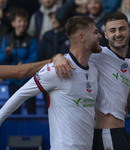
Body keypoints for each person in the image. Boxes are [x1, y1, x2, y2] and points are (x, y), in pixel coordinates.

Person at [53, 12, 130, 150]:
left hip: (121, 133)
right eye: (112, 30)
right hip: (105, 134)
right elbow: (71, 56)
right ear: (106, 34)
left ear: (129, 31)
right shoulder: (96, 55)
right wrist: (57, 57)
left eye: (122, 29)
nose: (118, 34)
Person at [0, 15, 102, 150]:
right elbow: (21, 94)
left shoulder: (94, 70)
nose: (100, 36)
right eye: (95, 32)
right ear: (81, 37)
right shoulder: (56, 69)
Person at [0, 8, 38, 114]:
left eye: (25, 21)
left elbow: (34, 58)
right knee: (13, 112)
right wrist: (7, 55)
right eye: (19, 21)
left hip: (28, 82)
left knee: (32, 111)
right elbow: (1, 59)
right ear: (13, 23)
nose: (23, 24)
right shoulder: (7, 39)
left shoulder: (31, 39)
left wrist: (23, 67)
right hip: (12, 82)